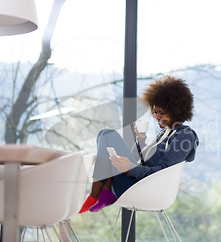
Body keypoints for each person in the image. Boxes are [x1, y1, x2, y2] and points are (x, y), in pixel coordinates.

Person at [79, 75, 199, 213]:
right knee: (103, 134)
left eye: (161, 112)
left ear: (176, 110)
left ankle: (94, 197)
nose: (157, 117)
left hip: (147, 191)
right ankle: (105, 191)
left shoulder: (183, 136)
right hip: (138, 185)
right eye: (155, 112)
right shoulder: (166, 132)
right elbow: (141, 160)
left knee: (107, 135)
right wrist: (141, 139)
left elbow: (161, 172)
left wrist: (131, 168)